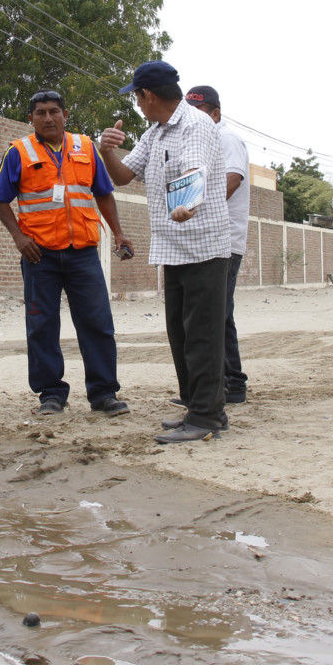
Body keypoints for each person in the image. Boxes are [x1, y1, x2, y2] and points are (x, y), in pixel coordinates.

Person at [98, 62, 231, 444]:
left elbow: (195, 169)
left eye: (137, 97)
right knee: (181, 334)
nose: (137, 104)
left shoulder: (195, 125)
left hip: (203, 247)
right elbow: (123, 176)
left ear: (149, 95)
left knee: (202, 335)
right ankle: (201, 407)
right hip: (174, 248)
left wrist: (188, 205)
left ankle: (205, 417)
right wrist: (107, 151)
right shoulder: (154, 133)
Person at [0, 89, 133, 417]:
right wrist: (18, 238)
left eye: (54, 111)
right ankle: (51, 394)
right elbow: (0, 199)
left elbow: (104, 194)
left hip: (83, 253)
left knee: (97, 323)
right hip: (39, 256)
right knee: (41, 325)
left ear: (65, 115)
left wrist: (119, 233)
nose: (48, 118)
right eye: (40, 113)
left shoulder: (86, 147)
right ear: (31, 118)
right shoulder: (18, 151)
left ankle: (104, 394)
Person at [185, 86, 250, 404]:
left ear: (215, 113)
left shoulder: (227, 139)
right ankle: (220, 385)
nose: (192, 119)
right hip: (205, 240)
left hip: (225, 240)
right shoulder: (199, 142)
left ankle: (232, 385)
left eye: (199, 112)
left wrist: (194, 207)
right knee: (211, 315)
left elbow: (232, 179)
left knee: (216, 315)